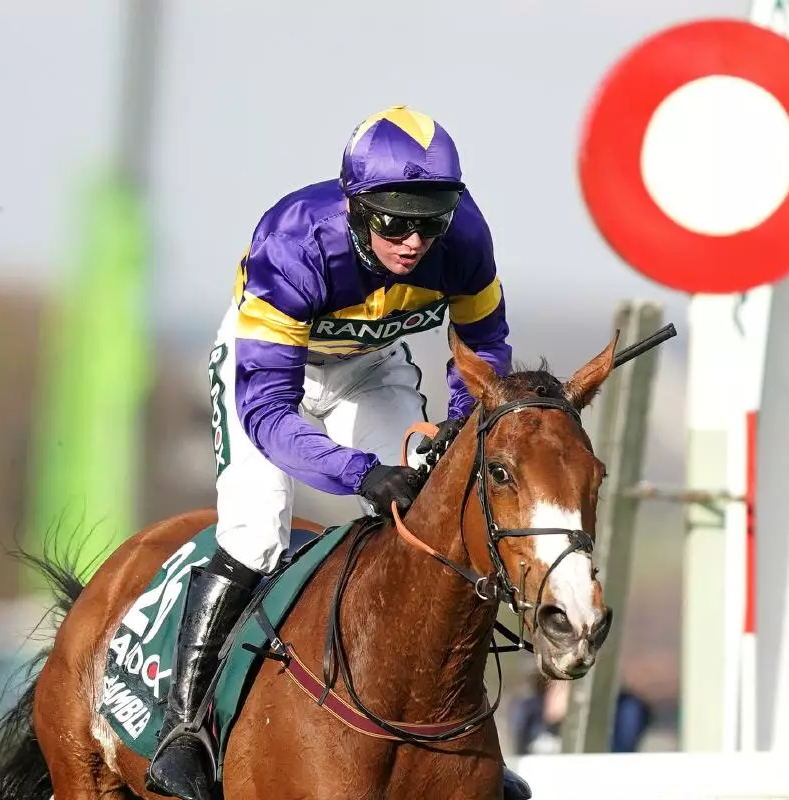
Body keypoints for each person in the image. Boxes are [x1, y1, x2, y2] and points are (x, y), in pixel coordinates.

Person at [145, 105, 531, 800]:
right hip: (270, 373)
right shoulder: (294, 241)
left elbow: (483, 353)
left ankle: (456, 732)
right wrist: (360, 473)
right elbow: (267, 411)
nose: (413, 240)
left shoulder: (466, 237)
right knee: (255, 534)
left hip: (367, 368)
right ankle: (185, 728)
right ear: (355, 208)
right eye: (393, 221)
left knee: (431, 516)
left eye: (429, 221)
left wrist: (458, 427)